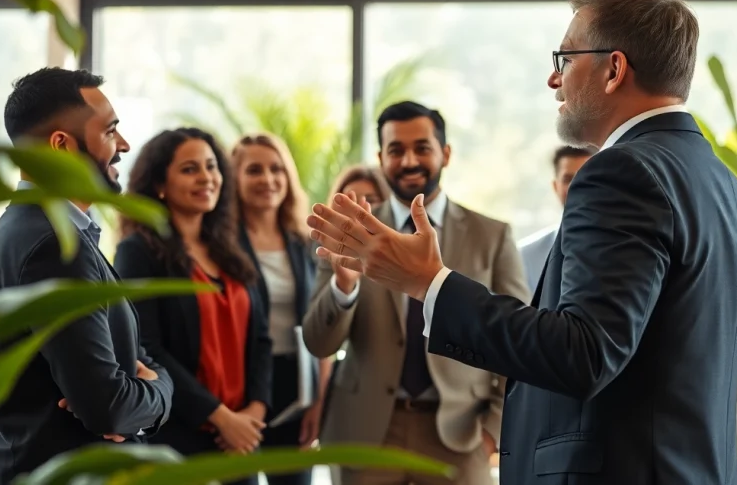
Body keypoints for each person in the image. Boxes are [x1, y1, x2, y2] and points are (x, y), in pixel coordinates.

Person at [305, 0, 737, 485]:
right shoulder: (723, 182)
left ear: (614, 69)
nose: (552, 79)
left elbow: (585, 352)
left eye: (564, 59)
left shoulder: (621, 173)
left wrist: (428, 283)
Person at [302, 101, 530, 485]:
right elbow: (319, 342)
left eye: (422, 148)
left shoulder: (492, 236)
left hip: (460, 437)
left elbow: (518, 341)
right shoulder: (351, 233)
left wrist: (494, 430)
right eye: (395, 150)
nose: (409, 160)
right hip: (367, 432)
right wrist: (344, 285)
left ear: (445, 153)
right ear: (380, 158)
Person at [0, 67, 174, 485]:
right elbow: (109, 407)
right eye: (110, 131)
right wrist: (161, 391)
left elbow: (129, 363)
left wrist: (142, 383)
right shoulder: (53, 245)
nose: (124, 145)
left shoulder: (21, 228)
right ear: (62, 145)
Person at [113, 128, 271, 485]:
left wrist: (252, 415)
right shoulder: (137, 252)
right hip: (178, 439)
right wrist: (222, 418)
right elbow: (147, 348)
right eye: (189, 169)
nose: (206, 178)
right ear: (159, 184)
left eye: (212, 166)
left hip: (241, 439)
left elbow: (261, 339)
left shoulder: (232, 250)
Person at [231, 133, 322, 485]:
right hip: (241, 385)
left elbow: (320, 325)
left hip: (296, 385)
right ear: (234, 178)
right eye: (254, 170)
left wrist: (317, 401)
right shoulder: (221, 244)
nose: (268, 180)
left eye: (276, 169)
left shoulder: (303, 242)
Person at [517, 144, 593, 291]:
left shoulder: (626, 247)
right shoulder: (524, 257)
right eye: (568, 179)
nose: (576, 185)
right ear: (555, 186)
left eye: (586, 177)